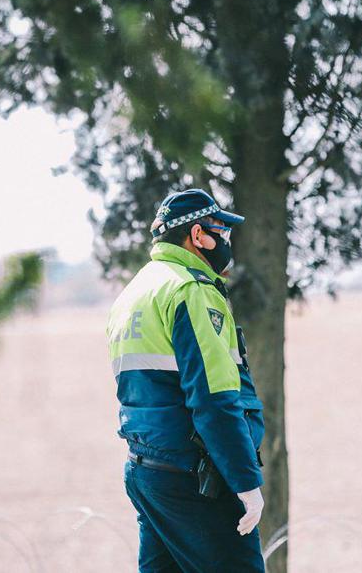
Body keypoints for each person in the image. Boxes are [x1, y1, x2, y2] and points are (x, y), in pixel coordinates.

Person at [106, 188, 266, 572]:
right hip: (193, 477)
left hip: (147, 468)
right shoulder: (191, 290)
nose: (226, 241)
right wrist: (245, 482)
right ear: (197, 235)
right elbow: (213, 398)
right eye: (221, 231)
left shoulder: (135, 292)